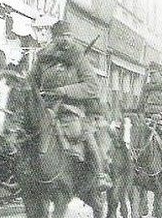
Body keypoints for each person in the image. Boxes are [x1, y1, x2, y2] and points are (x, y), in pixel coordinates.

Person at [29, 20, 112, 191]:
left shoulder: (78, 58)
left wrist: (64, 90)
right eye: (62, 36)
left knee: (80, 131)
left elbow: (92, 87)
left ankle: (99, 173)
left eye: (69, 36)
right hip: (46, 108)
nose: (66, 39)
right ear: (54, 38)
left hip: (72, 109)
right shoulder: (43, 58)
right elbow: (32, 82)